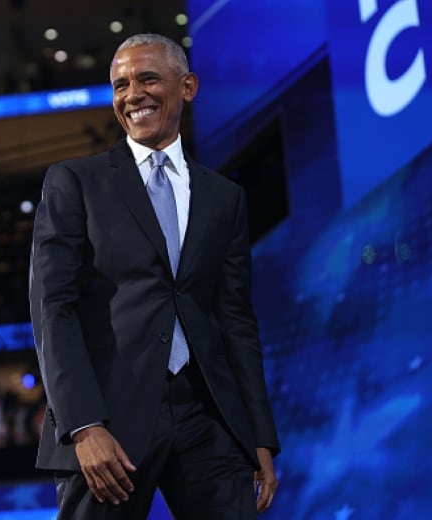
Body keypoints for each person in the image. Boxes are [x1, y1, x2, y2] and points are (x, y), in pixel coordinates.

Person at [28, 33, 280, 519]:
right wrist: (83, 425)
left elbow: (236, 322)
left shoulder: (224, 197)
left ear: (187, 87)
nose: (131, 95)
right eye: (120, 85)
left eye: (147, 79)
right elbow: (51, 310)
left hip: (210, 419)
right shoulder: (74, 182)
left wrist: (259, 436)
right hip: (109, 420)